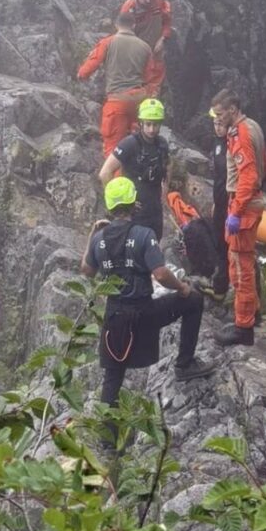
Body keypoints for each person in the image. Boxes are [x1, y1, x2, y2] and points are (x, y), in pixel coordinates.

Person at [81, 177, 213, 418]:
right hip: (145, 312)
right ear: (135, 204)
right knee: (194, 300)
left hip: (115, 318)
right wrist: (182, 288)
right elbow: (161, 274)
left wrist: (92, 235)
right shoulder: (144, 235)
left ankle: (107, 441)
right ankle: (184, 364)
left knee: (112, 377)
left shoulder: (99, 239)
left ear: (109, 207)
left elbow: (87, 271)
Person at [210, 88, 266, 346]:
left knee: (240, 266)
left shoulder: (240, 134)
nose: (218, 119)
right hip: (250, 201)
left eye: (221, 114)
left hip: (243, 206)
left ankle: (243, 327)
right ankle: (252, 313)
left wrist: (234, 212)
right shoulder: (253, 126)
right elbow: (265, 162)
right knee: (244, 261)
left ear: (233, 110)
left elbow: (248, 176)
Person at [76, 11, 152, 158]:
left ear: (116, 25)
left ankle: (116, 180)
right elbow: (150, 76)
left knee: (114, 149)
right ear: (134, 26)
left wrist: (80, 75)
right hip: (140, 101)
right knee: (138, 144)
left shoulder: (108, 42)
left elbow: (91, 64)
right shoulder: (145, 47)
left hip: (118, 101)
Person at [99, 98, 169, 240]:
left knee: (153, 245)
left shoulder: (162, 144)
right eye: (148, 124)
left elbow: (168, 164)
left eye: (155, 125)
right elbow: (105, 173)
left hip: (154, 210)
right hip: (134, 213)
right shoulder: (129, 144)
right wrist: (119, 202)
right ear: (141, 123)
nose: (151, 129)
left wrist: (164, 192)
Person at [120, 0, 172, 97]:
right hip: (136, 47)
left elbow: (167, 22)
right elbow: (123, 30)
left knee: (157, 72)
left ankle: (154, 97)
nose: (148, 1)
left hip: (156, 46)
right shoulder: (129, 6)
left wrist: (163, 39)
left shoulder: (160, 2)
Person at [209, 107, 230, 296]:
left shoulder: (235, 143)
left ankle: (225, 284)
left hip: (232, 203)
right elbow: (218, 175)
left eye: (221, 124)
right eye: (215, 124)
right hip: (220, 200)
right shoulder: (217, 143)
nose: (217, 128)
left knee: (232, 245)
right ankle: (220, 284)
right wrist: (216, 201)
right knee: (219, 242)